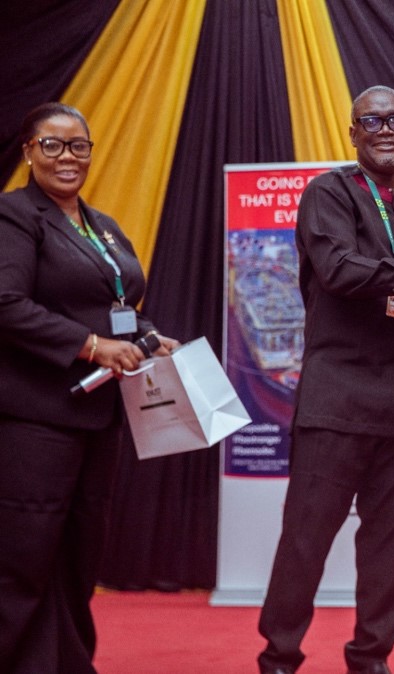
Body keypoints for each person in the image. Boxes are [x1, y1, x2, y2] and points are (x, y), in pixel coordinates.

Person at [256, 85, 394, 674]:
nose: (385, 129)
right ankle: (279, 656)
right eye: (371, 120)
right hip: (338, 400)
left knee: (390, 548)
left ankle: (371, 657)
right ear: (353, 133)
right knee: (305, 541)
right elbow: (338, 270)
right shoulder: (327, 194)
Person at [0, 102, 179, 673]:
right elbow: (5, 304)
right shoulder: (14, 215)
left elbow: (120, 307)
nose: (67, 157)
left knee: (79, 558)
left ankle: (71, 664)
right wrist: (91, 346)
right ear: (29, 152)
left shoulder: (101, 225)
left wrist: (149, 337)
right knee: (24, 559)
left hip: (100, 416)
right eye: (51, 145)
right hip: (36, 420)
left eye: (78, 145)